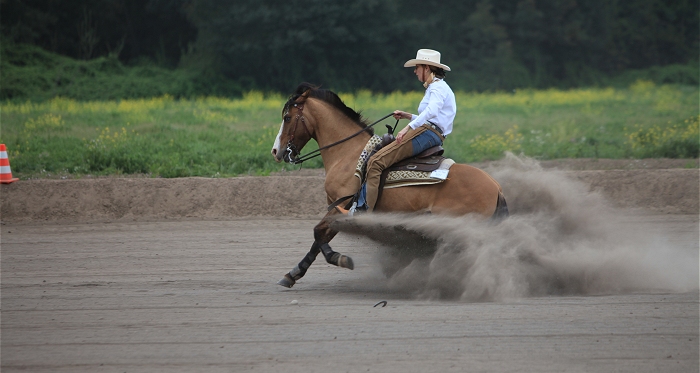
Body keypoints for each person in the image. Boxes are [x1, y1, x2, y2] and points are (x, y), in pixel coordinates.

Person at [338, 49, 456, 214]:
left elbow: (431, 113)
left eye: (417, 67)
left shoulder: (436, 87)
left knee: (376, 161)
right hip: (431, 132)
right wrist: (408, 116)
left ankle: (361, 210)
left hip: (426, 133)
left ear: (427, 68)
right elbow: (433, 117)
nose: (415, 71)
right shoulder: (438, 87)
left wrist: (408, 127)